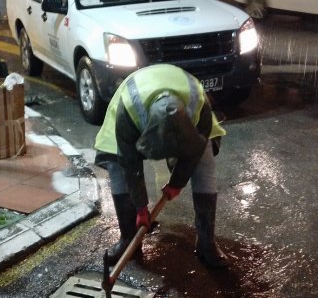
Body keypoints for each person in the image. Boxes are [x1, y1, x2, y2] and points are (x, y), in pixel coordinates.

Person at [94, 63, 229, 268]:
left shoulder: (199, 104)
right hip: (131, 114)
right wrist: (141, 208)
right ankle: (128, 239)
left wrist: (177, 183)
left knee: (204, 161)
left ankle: (206, 242)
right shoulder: (129, 111)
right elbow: (131, 165)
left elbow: (195, 152)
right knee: (117, 165)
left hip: (188, 110)